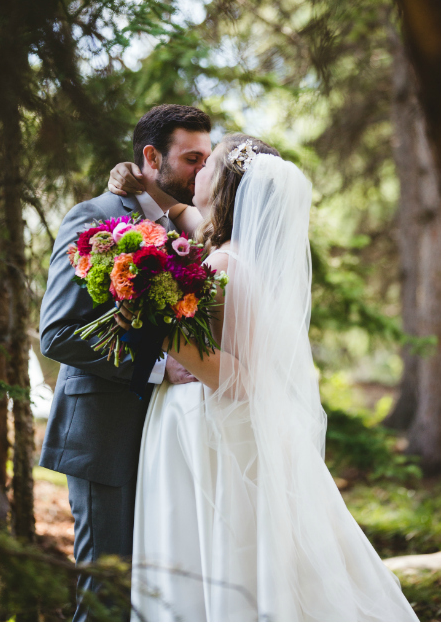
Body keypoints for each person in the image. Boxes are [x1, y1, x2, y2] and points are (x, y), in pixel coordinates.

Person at [114, 134, 418, 621]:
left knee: (212, 555)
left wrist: (162, 333)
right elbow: (188, 217)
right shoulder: (240, 254)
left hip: (207, 429)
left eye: (207, 165)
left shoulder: (225, 262)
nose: (198, 174)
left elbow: (239, 376)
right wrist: (150, 196)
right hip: (220, 425)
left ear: (230, 183)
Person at [38, 104, 211, 621]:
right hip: (103, 431)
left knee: (150, 588)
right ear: (152, 157)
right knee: (107, 586)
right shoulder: (93, 219)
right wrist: (157, 367)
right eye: (191, 159)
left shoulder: (177, 225)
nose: (201, 172)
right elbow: (58, 334)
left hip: (165, 436)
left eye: (207, 161)